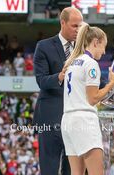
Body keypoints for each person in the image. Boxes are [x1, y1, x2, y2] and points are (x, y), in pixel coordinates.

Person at [61, 23, 114, 175]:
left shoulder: (72, 62)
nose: (104, 51)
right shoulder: (91, 63)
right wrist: (112, 82)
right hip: (84, 120)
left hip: (68, 120)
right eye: (103, 46)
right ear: (96, 42)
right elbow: (93, 99)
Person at [33, 7, 83, 175]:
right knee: (49, 169)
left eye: (80, 26)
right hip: (50, 116)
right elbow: (41, 81)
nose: (78, 30)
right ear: (63, 23)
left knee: (73, 169)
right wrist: (60, 76)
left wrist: (111, 85)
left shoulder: (83, 49)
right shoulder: (44, 46)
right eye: (74, 26)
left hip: (76, 119)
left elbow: (92, 77)